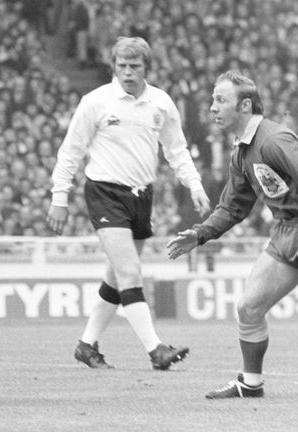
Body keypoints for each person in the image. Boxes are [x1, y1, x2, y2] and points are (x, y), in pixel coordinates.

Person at [47, 37, 210, 370]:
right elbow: (71, 150)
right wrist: (59, 197)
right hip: (105, 193)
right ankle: (156, 350)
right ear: (113, 67)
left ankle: (86, 344)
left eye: (135, 66)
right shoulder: (96, 102)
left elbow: (176, 149)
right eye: (122, 66)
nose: (128, 72)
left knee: (116, 276)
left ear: (146, 68)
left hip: (141, 196)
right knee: (130, 272)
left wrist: (194, 184)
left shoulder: (161, 103)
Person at [167, 70, 298, 399]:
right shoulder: (242, 152)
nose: (212, 106)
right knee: (249, 308)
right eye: (213, 99)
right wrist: (199, 234)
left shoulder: (273, 141)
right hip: (286, 233)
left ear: (246, 106)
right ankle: (250, 384)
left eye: (221, 100)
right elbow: (233, 207)